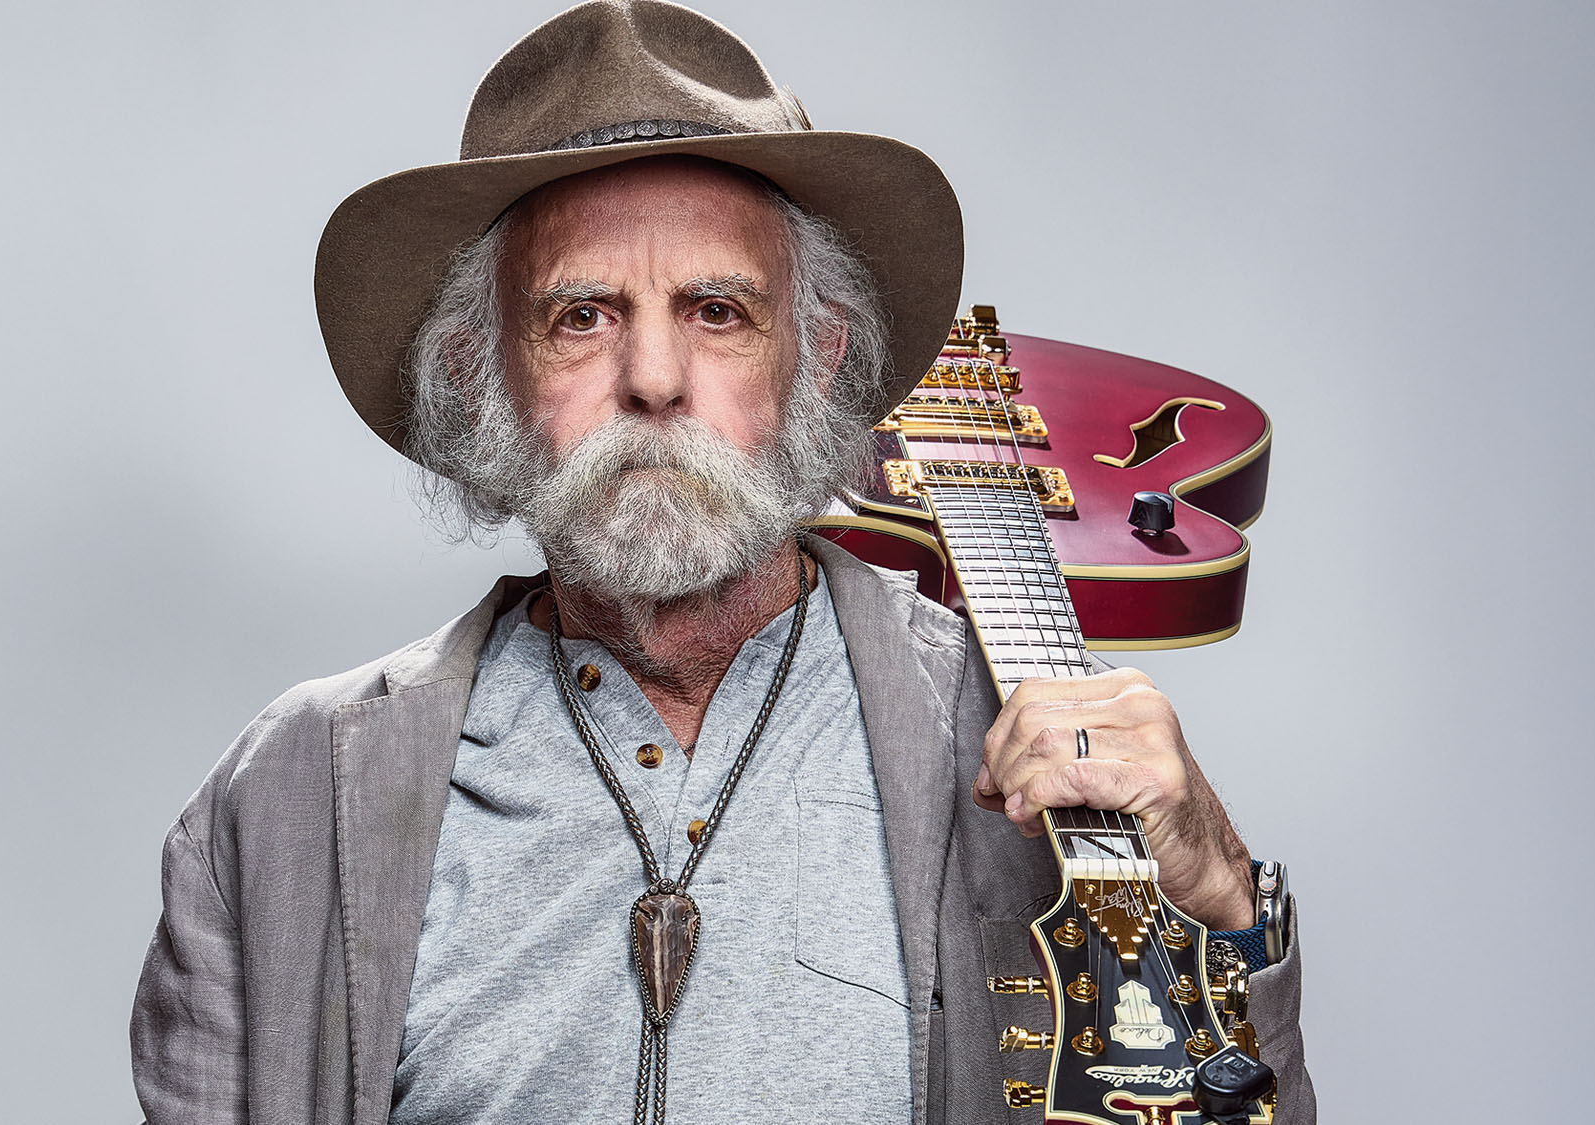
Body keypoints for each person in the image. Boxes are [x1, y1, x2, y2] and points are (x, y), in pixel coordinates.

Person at [130, 2, 1313, 1122]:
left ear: (819, 352)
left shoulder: (1021, 743)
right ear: (475, 374)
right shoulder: (287, 799)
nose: (653, 378)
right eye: (580, 316)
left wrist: (1219, 907)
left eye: (717, 310)